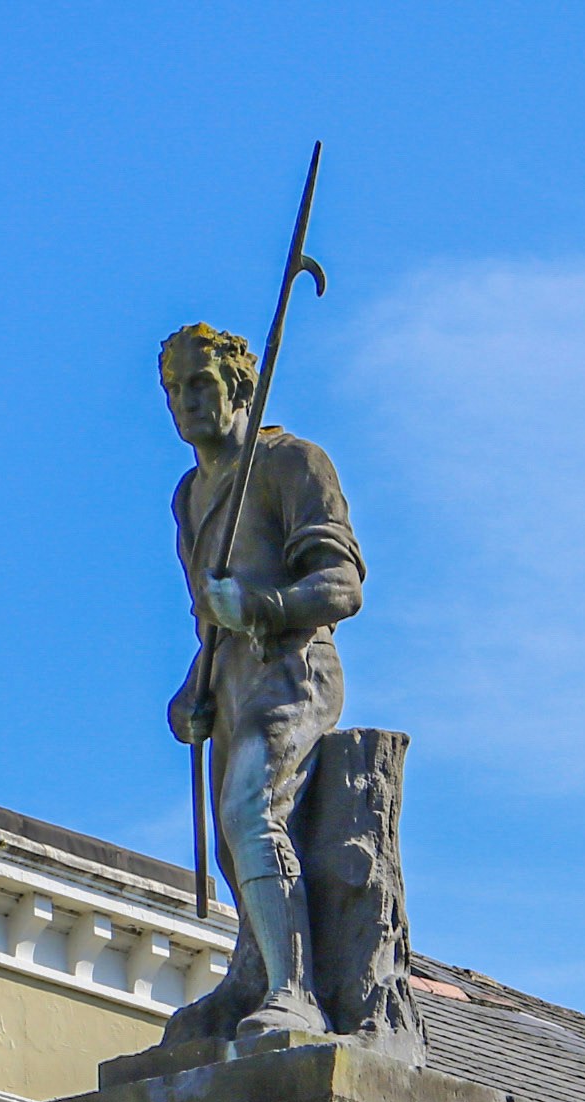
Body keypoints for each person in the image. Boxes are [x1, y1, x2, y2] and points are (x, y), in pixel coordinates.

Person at [159, 320, 365, 1044]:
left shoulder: (291, 464)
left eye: (202, 384)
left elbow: (341, 586)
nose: (186, 402)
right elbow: (209, 624)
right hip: (237, 678)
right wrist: (194, 691)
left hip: (293, 666)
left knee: (252, 813)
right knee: (230, 840)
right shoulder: (189, 497)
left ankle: (294, 991)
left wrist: (261, 607)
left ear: (239, 386)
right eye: (174, 389)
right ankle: (253, 974)